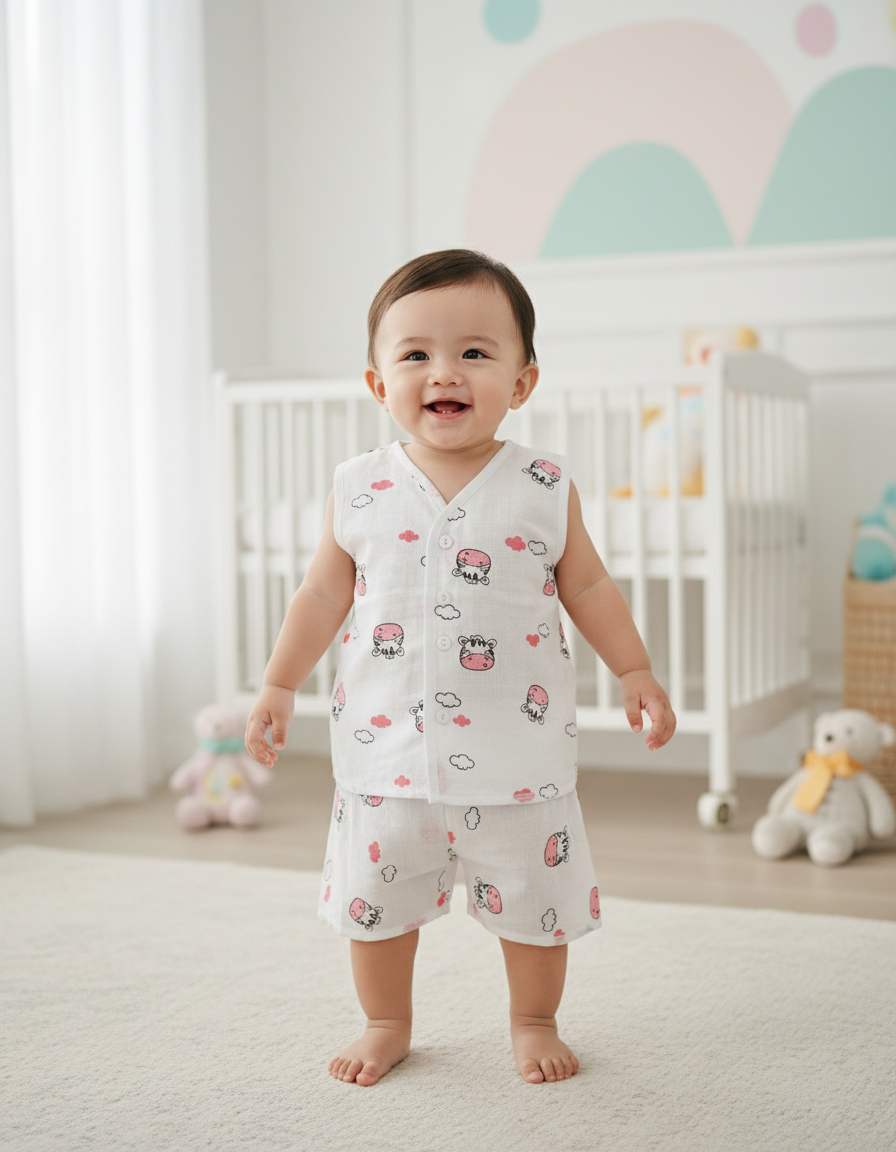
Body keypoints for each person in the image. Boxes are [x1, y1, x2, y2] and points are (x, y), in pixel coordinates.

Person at [245, 249, 676, 1088]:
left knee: (535, 906)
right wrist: (277, 682)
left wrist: (634, 670)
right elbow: (322, 594)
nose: (445, 371)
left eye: (476, 352)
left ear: (522, 381)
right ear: (378, 384)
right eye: (415, 355)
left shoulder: (543, 485)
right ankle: (385, 1020)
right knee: (374, 907)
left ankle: (532, 1019)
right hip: (385, 760)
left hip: (517, 760)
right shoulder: (358, 487)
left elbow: (585, 584)